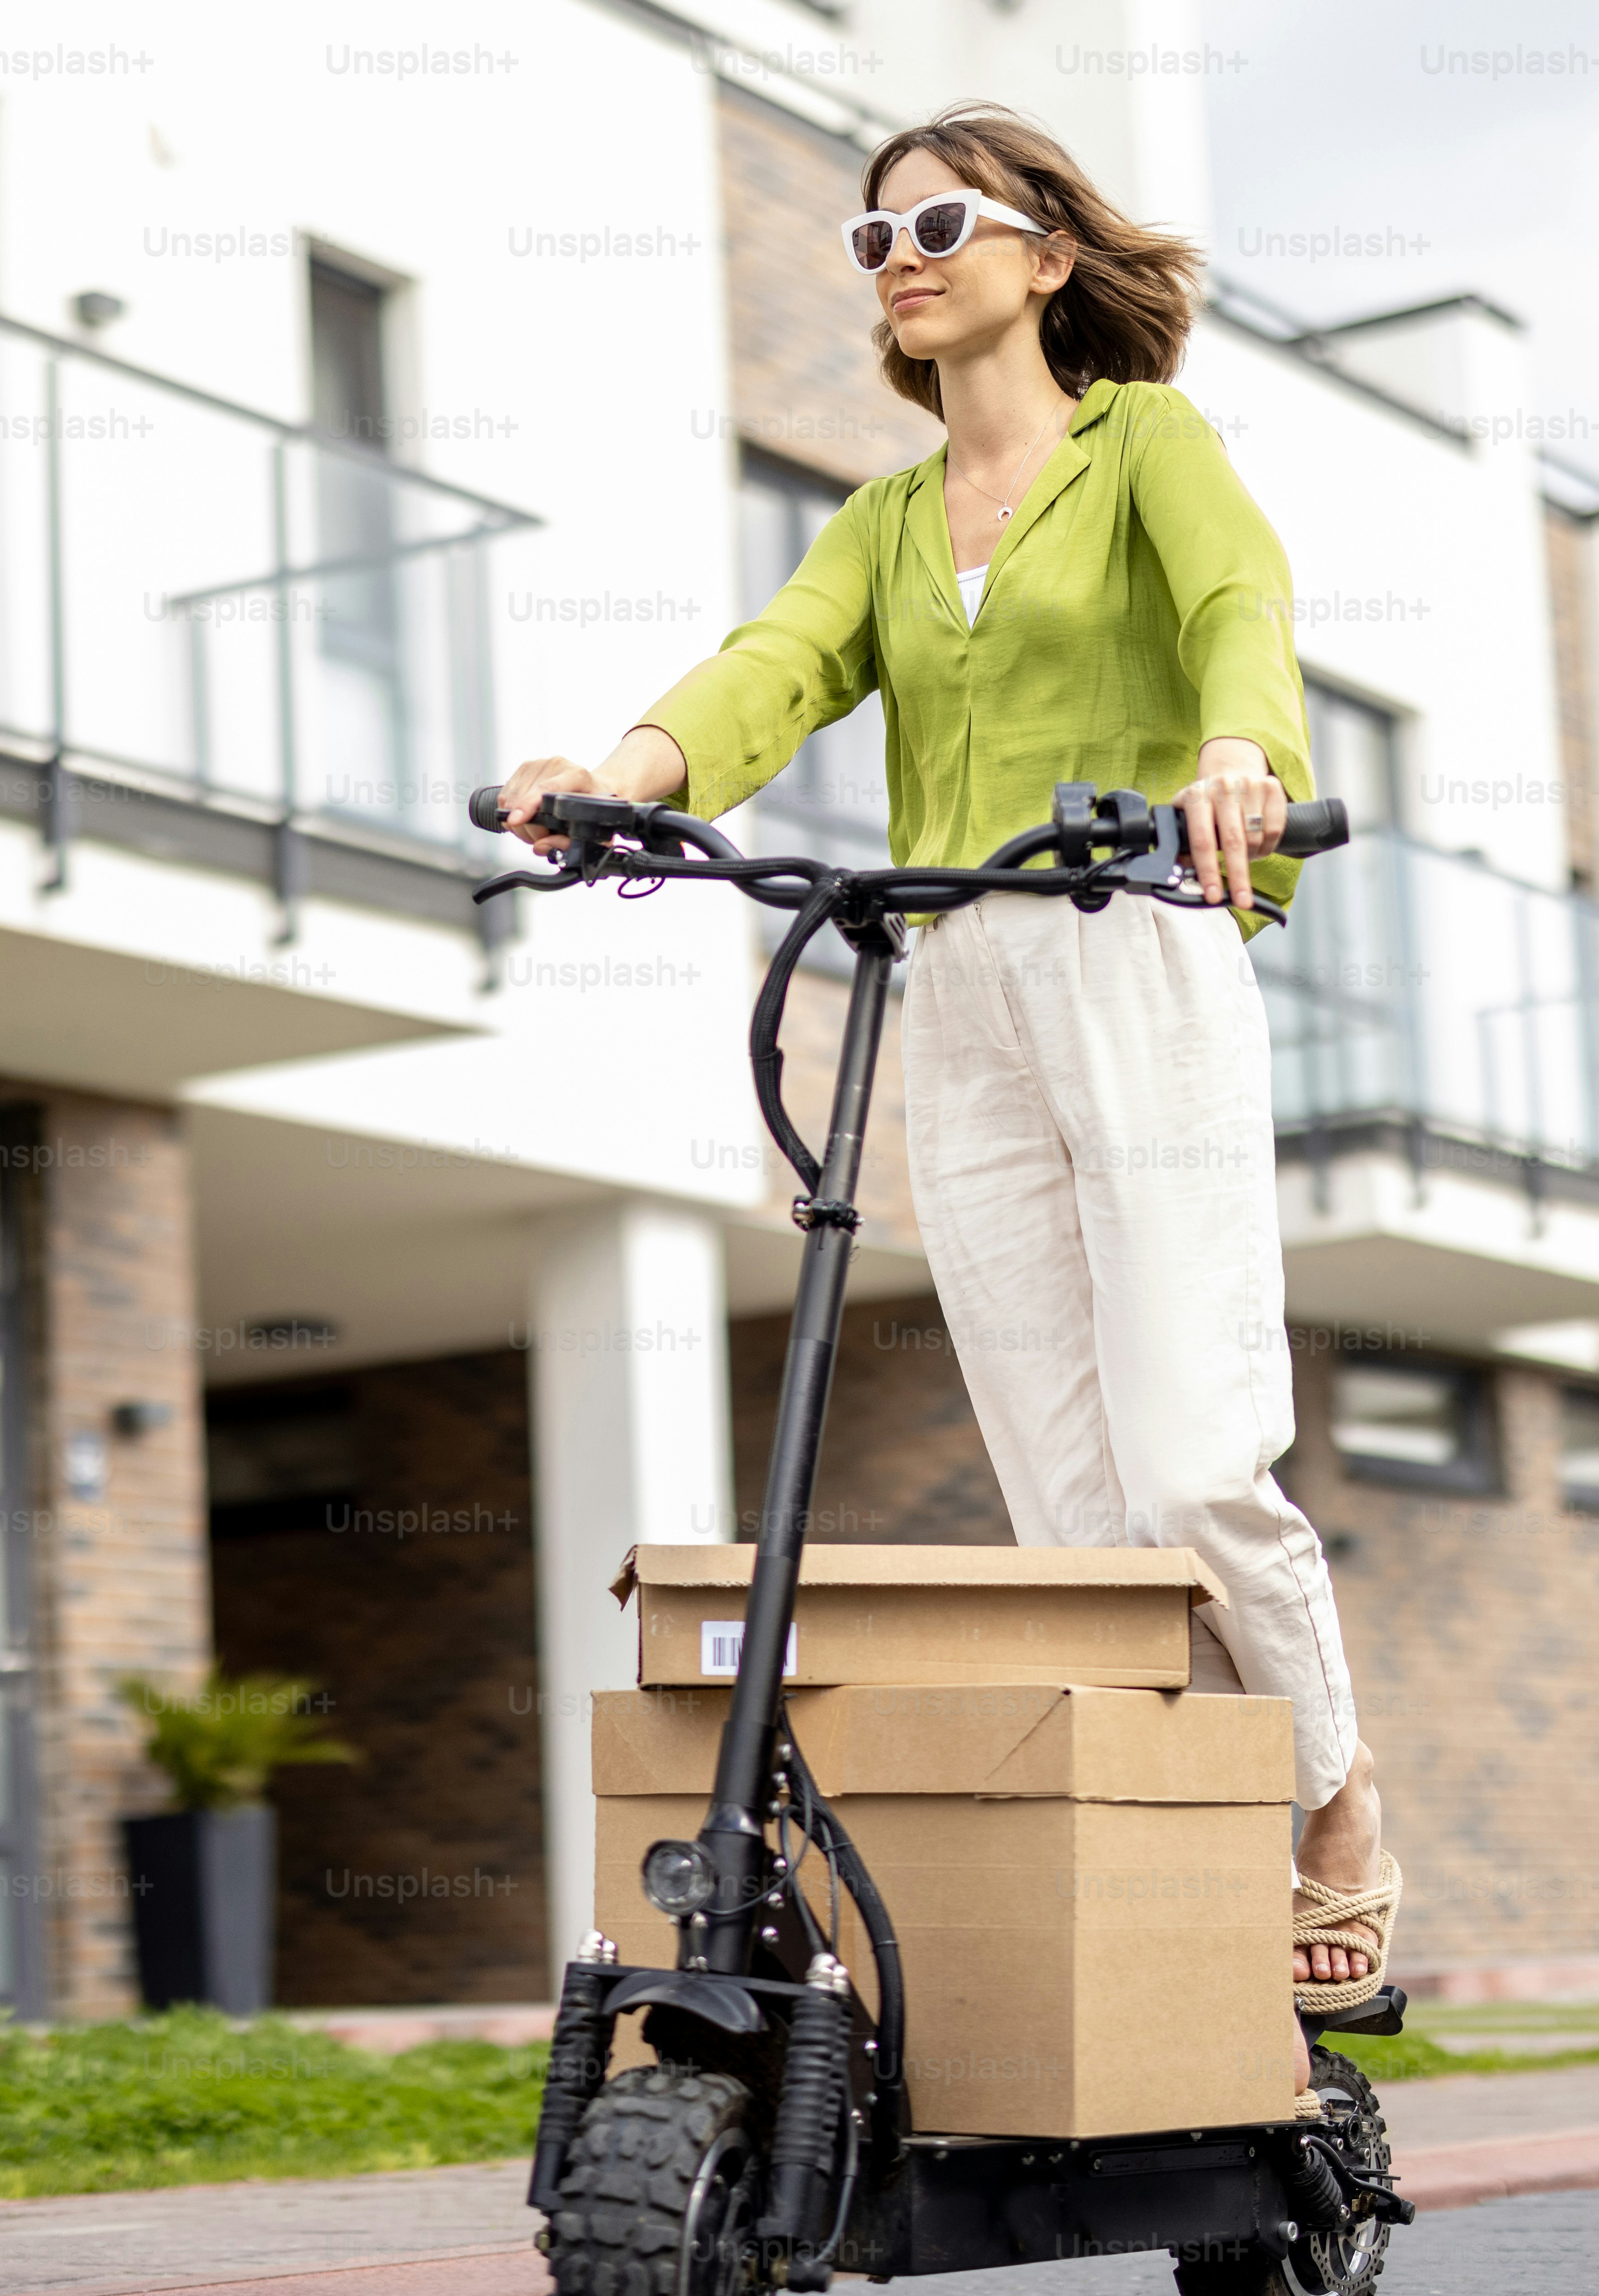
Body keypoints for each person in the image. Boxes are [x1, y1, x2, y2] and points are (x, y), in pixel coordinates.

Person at [496, 104, 1396, 2094]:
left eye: (939, 224)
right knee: (1068, 1513)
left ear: (1046, 255)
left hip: (1134, 937)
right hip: (956, 978)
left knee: (1191, 1463)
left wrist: (1239, 754)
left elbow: (1239, 607)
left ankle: (1335, 1797)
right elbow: (777, 665)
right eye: (871, 238)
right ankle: (1180, 1867)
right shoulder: (890, 520)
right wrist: (616, 777)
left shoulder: (1144, 445)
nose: (897, 260)